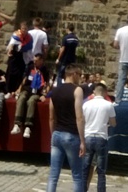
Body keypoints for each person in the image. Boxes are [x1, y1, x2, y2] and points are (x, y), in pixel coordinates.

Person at [46, 63, 85, 192]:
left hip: (57, 133)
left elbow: (51, 117)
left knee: (53, 175)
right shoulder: (77, 90)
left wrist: (53, 134)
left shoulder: (55, 90)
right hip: (71, 134)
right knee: (77, 176)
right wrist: (82, 141)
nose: (80, 78)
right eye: (80, 74)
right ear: (74, 74)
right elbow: (79, 117)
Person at [82, 83, 116, 192]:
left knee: (85, 169)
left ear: (94, 92)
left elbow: (82, 121)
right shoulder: (108, 105)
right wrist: (107, 123)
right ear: (105, 93)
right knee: (101, 171)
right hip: (101, 137)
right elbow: (113, 123)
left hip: (88, 136)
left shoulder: (86, 104)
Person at [11, 53, 48, 138]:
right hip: (27, 89)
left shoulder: (45, 70)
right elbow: (25, 79)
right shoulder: (30, 67)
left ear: (41, 61)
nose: (35, 62)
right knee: (22, 98)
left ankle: (28, 126)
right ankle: (17, 124)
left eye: (36, 61)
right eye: (34, 60)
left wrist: (44, 94)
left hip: (37, 92)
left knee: (31, 101)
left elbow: (47, 84)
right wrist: (19, 89)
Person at [55, 23, 79, 87]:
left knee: (60, 75)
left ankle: (60, 88)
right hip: (72, 60)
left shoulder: (66, 38)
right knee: (70, 74)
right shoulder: (76, 38)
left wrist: (58, 59)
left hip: (65, 60)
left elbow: (63, 49)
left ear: (67, 29)